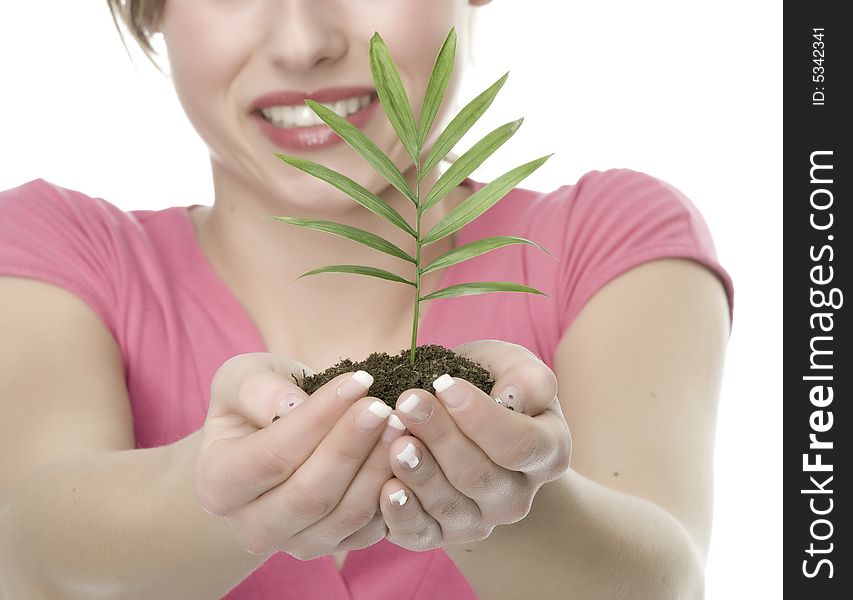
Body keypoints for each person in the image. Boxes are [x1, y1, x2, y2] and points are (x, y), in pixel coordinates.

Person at [0, 0, 734, 598]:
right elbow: (31, 544)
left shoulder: (604, 238)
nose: (302, 41)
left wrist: (507, 489)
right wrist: (227, 488)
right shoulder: (58, 251)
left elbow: (662, 580)